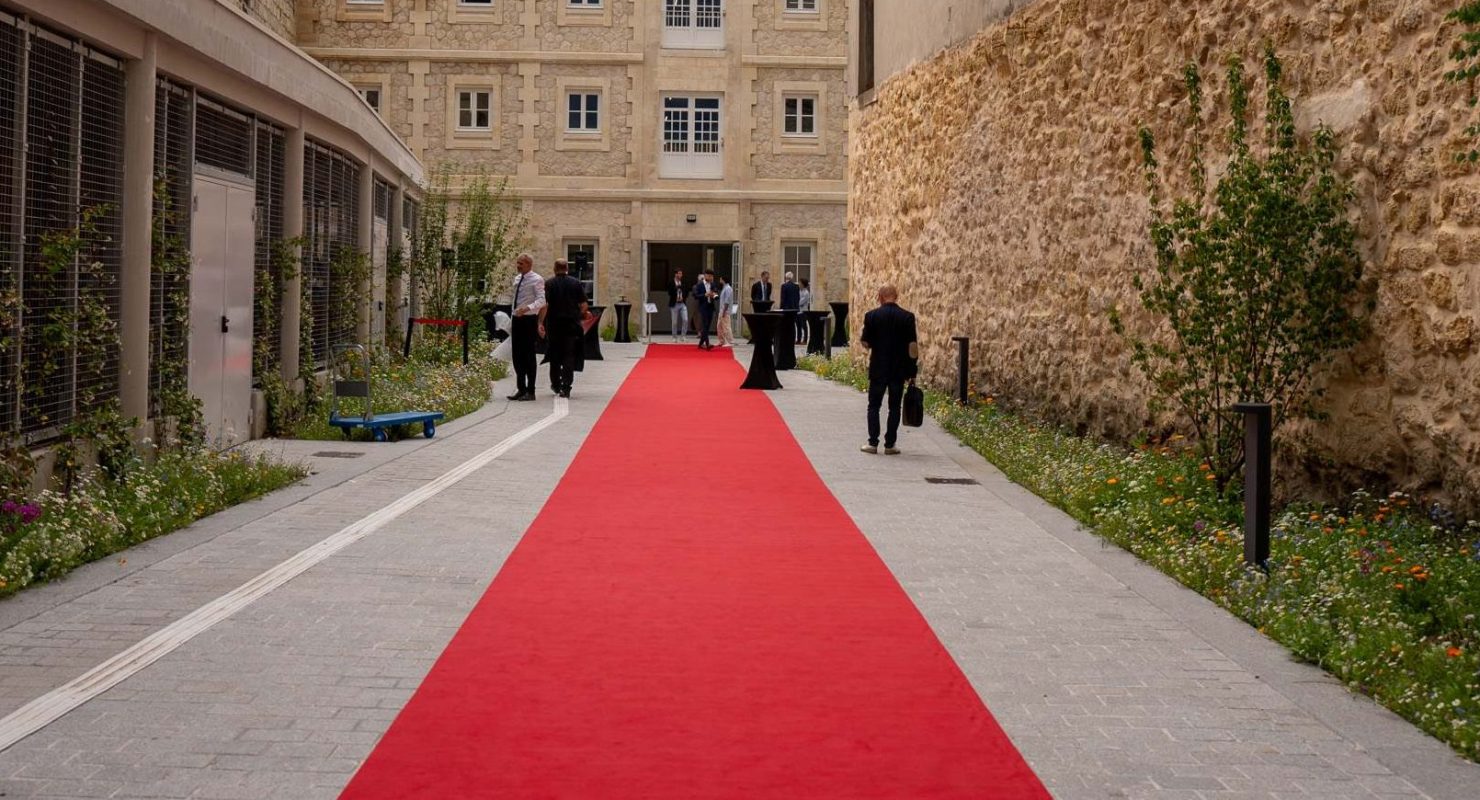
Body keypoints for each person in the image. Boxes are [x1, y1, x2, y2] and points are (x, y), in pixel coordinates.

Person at [859, 284, 918, 455]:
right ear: (896, 296)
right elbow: (912, 347)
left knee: (874, 406)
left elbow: (865, 342)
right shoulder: (907, 317)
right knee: (894, 407)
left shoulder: (871, 316)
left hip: (878, 367)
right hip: (899, 369)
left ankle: (872, 442)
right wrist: (912, 372)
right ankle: (890, 444)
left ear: (880, 296)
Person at [540, 258, 589, 399]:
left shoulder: (549, 284)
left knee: (554, 354)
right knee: (569, 355)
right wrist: (579, 315)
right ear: (567, 268)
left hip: (554, 324)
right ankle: (566, 387)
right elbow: (584, 304)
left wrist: (541, 322)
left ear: (555, 268)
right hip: (571, 324)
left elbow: (545, 304)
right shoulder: (575, 283)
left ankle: (555, 384)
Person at [507, 254, 545, 401]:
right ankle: (521, 388)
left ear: (529, 264)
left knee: (528, 355)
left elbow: (542, 300)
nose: (518, 266)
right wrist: (513, 315)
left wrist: (527, 308)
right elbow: (515, 299)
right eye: (517, 263)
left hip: (528, 319)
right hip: (517, 319)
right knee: (517, 355)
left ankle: (531, 390)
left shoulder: (537, 279)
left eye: (521, 263)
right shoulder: (517, 278)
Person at [694, 269, 718, 351]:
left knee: (707, 326)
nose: (710, 277)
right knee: (705, 324)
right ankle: (707, 344)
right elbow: (695, 295)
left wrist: (714, 294)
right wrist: (705, 294)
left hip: (710, 307)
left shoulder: (713, 284)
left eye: (711, 276)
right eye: (709, 276)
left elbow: (716, 292)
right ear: (705, 275)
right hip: (703, 307)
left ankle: (700, 344)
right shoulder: (699, 285)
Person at [667, 269, 689, 343]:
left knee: (685, 319)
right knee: (674, 322)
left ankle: (683, 336)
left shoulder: (684, 282)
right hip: (674, 304)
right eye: (679, 274)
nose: (680, 275)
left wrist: (684, 297)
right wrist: (676, 288)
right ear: (675, 274)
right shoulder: (671, 282)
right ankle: (674, 337)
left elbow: (687, 291)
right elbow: (669, 292)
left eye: (681, 274)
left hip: (682, 303)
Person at [716, 275, 735, 347]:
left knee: (726, 326)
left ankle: (730, 341)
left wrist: (724, 311)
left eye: (720, 279)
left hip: (725, 310)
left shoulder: (728, 288)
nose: (720, 281)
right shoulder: (724, 288)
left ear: (723, 280)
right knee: (719, 326)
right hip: (722, 310)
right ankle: (722, 340)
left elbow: (727, 301)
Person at [795, 277, 813, 344]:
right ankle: (798, 339)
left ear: (803, 284)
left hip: (803, 311)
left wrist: (795, 302)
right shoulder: (799, 291)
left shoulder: (806, 293)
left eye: (800, 283)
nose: (799, 284)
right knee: (798, 326)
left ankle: (805, 340)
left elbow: (800, 302)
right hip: (798, 311)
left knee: (804, 326)